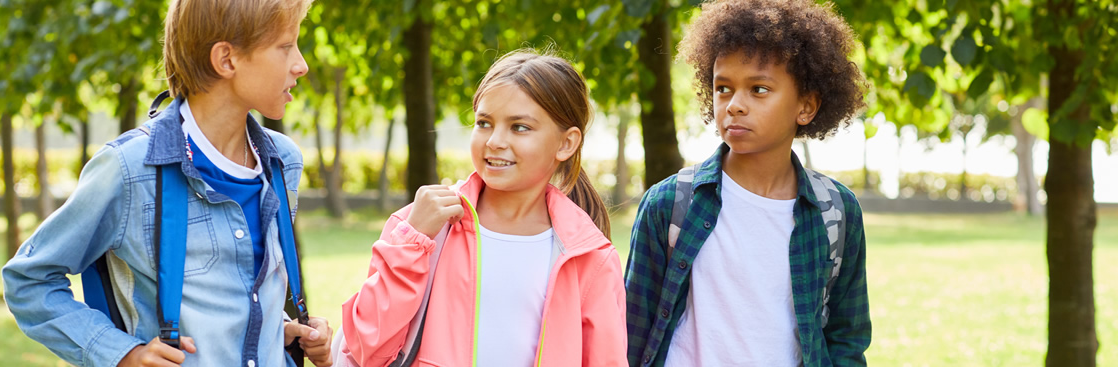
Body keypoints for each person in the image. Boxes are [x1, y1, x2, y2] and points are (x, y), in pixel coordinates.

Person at [1, 0, 333, 365]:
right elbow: (29, 279)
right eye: (285, 47)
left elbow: (240, 290)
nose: (301, 65)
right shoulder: (129, 169)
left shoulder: (283, 162)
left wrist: (279, 329)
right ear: (226, 59)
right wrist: (122, 354)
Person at [339, 49, 627, 367]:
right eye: (484, 123)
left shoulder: (591, 257)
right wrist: (412, 241)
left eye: (519, 127)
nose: (494, 141)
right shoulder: (419, 226)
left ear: (566, 143)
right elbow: (367, 348)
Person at [624, 0, 872, 366]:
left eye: (758, 89)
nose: (735, 105)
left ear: (806, 106)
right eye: (723, 88)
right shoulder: (669, 203)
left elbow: (846, 339)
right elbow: (630, 333)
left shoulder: (836, 210)